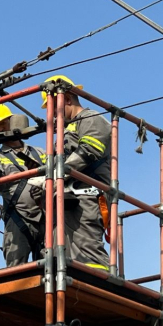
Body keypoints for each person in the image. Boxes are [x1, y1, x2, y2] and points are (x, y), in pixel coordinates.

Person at [41, 75, 111, 270]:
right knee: (61, 253)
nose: (53, 116)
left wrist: (57, 176)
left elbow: (90, 150)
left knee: (88, 251)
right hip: (67, 197)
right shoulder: (65, 130)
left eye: (53, 109)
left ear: (67, 99)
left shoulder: (92, 119)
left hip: (87, 198)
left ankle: (101, 291)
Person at [0, 104, 47, 267]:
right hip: (18, 217)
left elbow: (55, 176)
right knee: (17, 269)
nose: (0, 129)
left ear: (12, 121)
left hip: (46, 216)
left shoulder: (38, 152)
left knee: (51, 266)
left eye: (3, 124)